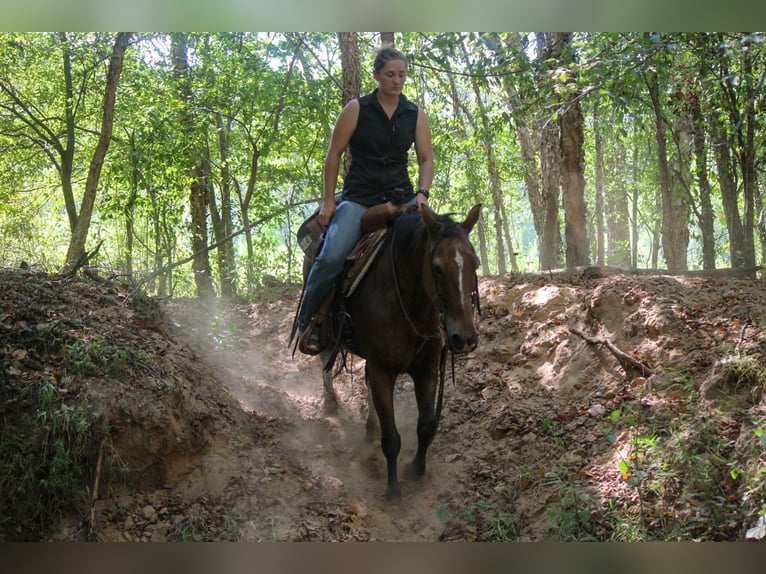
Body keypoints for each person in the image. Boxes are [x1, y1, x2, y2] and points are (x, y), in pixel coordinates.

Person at [296, 46, 434, 354]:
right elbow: (333, 155)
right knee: (331, 256)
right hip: (359, 199)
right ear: (376, 75)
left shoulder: (415, 114)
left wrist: (422, 194)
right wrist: (329, 201)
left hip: (403, 200)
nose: (397, 81)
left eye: (401, 74)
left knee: (442, 245)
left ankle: (443, 326)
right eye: (390, 75)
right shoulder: (357, 108)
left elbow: (426, 159)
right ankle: (309, 323)